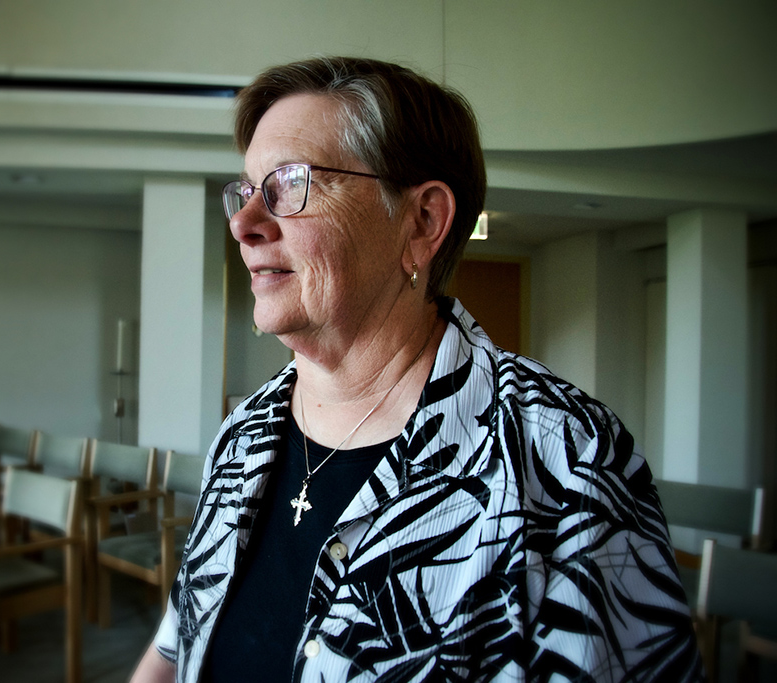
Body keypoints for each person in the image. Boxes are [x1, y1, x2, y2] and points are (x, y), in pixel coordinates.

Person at [133, 56, 703, 682]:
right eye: (245, 191)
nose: (243, 224)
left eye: (289, 183)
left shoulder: (567, 462)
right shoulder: (244, 433)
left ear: (422, 222)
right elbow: (175, 646)